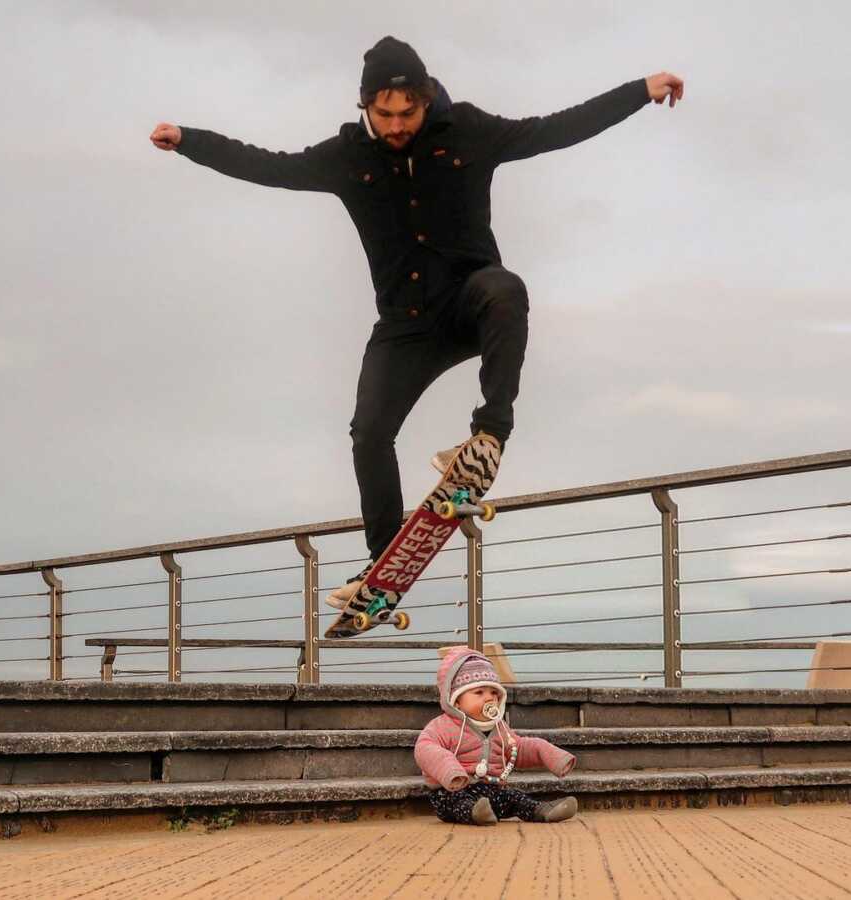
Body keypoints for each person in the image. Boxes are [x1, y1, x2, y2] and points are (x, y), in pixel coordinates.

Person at [150, 37, 684, 609]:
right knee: (368, 433)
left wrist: (638, 93)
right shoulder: (346, 157)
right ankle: (382, 564)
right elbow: (268, 166)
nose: (399, 125)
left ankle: (488, 438)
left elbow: (556, 128)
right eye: (386, 115)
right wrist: (189, 142)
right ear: (366, 108)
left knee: (505, 289)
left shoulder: (470, 132)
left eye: (410, 112)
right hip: (404, 327)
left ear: (427, 101)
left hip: (468, 302)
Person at [415, 646, 579, 825]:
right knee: (457, 801)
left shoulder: (500, 728)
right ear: (456, 701)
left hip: (491, 791)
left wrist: (549, 754)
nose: (489, 698)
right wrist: (450, 771)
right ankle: (475, 813)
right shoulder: (444, 726)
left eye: (494, 693)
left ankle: (541, 810)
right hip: (452, 790)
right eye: (479, 693)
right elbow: (425, 748)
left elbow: (518, 748)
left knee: (513, 797)